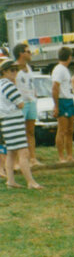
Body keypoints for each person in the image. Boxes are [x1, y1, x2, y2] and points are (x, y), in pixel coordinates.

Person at [0, 59, 43, 189]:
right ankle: (30, 182)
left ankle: (11, 180)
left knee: (12, 152)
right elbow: (20, 103)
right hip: (13, 120)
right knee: (23, 152)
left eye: (16, 70)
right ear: (4, 71)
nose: (15, 72)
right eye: (12, 70)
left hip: (6, 121)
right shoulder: (8, 86)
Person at [12, 43, 41, 167]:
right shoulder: (13, 68)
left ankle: (32, 158)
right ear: (21, 53)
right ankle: (18, 161)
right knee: (19, 132)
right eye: (28, 52)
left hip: (31, 101)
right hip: (20, 103)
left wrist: (34, 96)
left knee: (30, 131)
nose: (30, 54)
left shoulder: (29, 67)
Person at [50, 46, 74, 163]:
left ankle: (70, 155)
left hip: (70, 100)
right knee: (62, 130)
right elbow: (55, 88)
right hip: (62, 100)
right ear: (69, 57)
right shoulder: (59, 69)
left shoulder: (65, 69)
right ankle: (61, 157)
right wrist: (56, 105)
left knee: (70, 130)